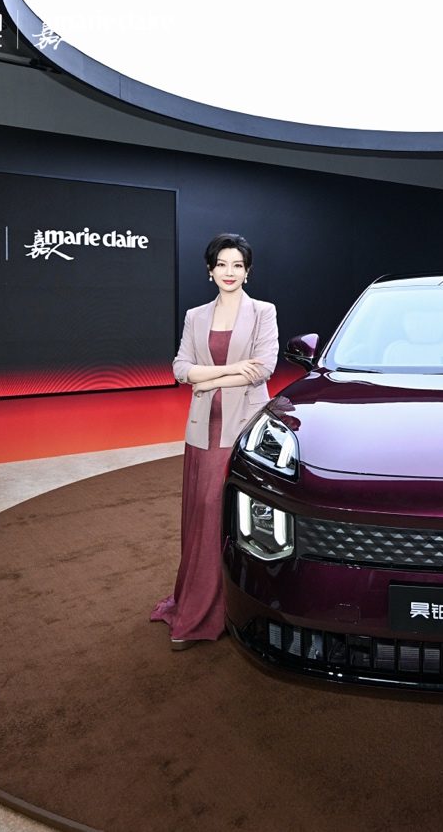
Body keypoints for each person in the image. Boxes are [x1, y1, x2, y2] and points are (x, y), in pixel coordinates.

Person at [150, 233, 279, 650]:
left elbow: (264, 368)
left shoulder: (263, 312)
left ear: (247, 271)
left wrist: (207, 378)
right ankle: (199, 608)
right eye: (222, 264)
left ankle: (235, 605)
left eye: (237, 265)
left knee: (233, 516)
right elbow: (180, 369)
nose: (229, 272)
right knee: (202, 517)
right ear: (210, 271)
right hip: (203, 428)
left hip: (243, 426)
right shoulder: (195, 316)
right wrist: (228, 372)